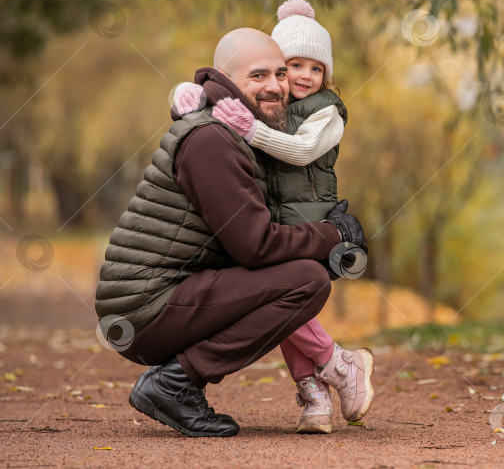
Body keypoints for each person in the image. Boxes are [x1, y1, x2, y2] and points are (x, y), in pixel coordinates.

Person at [95, 27, 371, 438]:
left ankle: (178, 383)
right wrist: (332, 235)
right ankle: (173, 385)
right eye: (257, 76)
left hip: (166, 294)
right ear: (224, 79)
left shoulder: (235, 131)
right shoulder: (211, 139)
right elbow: (256, 247)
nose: (276, 86)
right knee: (306, 282)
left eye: (281, 73)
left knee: (300, 275)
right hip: (144, 305)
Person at [173, 0, 371, 434]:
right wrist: (188, 97)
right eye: (291, 65)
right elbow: (229, 97)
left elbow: (300, 152)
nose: (302, 76)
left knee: (288, 299)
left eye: (314, 69)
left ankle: (337, 365)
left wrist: (251, 130)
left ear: (327, 76)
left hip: (313, 222)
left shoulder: (327, 112)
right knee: (280, 303)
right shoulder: (274, 101)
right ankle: (314, 392)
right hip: (275, 220)